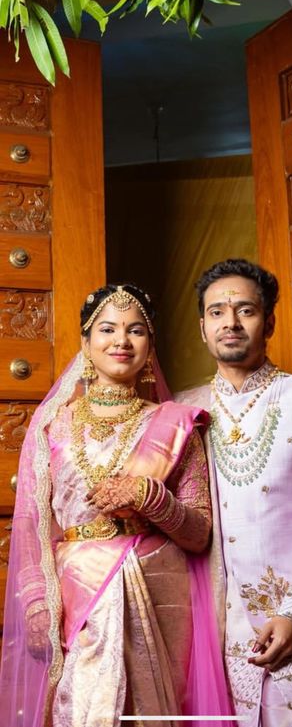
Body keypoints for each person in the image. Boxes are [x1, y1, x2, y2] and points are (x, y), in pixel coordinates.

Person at [0, 283, 232, 727]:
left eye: (136, 330)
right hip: (76, 594)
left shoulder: (175, 424)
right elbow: (30, 522)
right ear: (86, 344)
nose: (121, 341)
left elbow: (200, 533)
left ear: (151, 346)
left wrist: (150, 497)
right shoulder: (53, 425)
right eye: (107, 329)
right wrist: (35, 602)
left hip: (158, 591)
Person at [177, 258, 292, 727]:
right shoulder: (184, 409)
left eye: (245, 310)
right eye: (217, 311)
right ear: (202, 327)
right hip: (214, 636)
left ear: (270, 321)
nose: (231, 322)